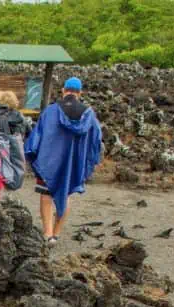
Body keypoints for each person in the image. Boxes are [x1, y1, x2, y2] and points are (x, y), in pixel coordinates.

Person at [23, 77, 103, 245]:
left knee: (46, 196)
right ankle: (57, 233)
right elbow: (96, 141)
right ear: (80, 93)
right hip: (73, 164)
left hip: (49, 162)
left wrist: (33, 155)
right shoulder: (88, 114)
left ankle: (48, 233)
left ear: (64, 90)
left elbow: (37, 136)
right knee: (65, 193)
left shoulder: (51, 111)